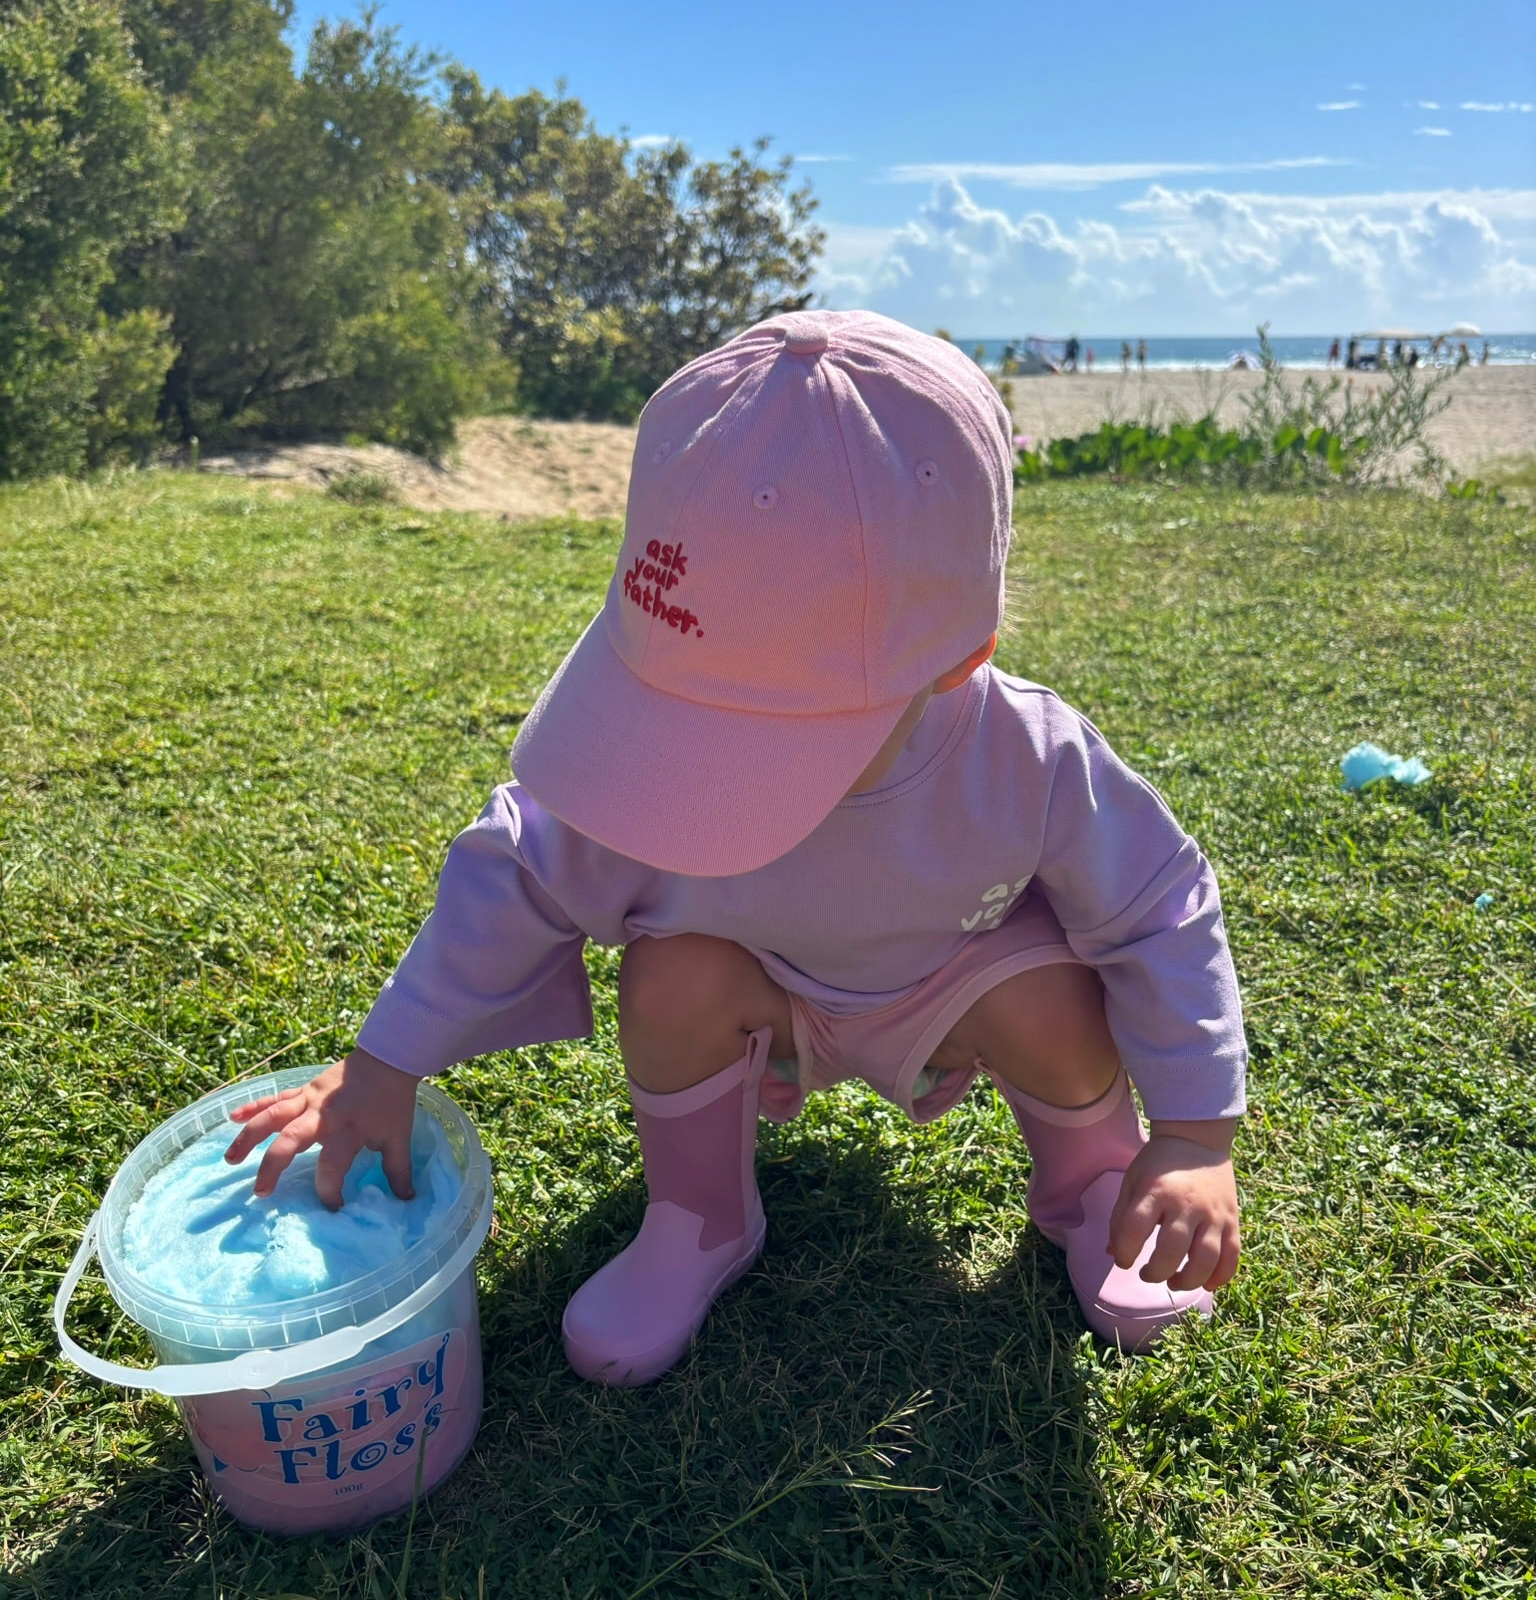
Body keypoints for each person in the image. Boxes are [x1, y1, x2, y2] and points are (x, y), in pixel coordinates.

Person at [225, 312, 1245, 1382]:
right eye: (682, 719)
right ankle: (698, 1213)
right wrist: (383, 1062)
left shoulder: (1029, 756)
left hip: (956, 991)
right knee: (674, 973)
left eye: (765, 736)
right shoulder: (644, 756)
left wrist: (1195, 1135)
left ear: (958, 655)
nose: (696, 766)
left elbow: (1158, 905)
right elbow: (520, 866)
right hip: (769, 999)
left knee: (1050, 988)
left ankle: (1093, 1183)